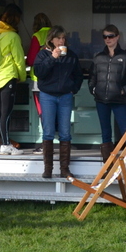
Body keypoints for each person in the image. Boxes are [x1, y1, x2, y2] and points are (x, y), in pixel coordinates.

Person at [88, 24, 126, 182]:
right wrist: (93, 89)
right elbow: (92, 77)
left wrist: (123, 91)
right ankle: (107, 170)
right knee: (106, 134)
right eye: (105, 36)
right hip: (101, 101)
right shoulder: (98, 57)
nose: (108, 39)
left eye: (111, 36)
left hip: (119, 101)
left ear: (117, 37)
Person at [33, 26, 83, 178]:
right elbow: (39, 72)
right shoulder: (43, 54)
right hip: (47, 95)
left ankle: (64, 169)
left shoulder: (71, 55)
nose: (61, 41)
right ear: (51, 39)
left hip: (65, 96)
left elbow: (78, 75)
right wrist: (52, 58)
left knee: (65, 132)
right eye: (58, 38)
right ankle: (48, 169)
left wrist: (73, 89)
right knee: (48, 131)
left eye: (63, 38)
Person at [0, 4, 27, 156]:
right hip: (8, 77)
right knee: (6, 112)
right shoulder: (13, 36)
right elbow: (19, 60)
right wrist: (22, 76)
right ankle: (5, 144)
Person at [27, 13, 52, 154]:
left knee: (43, 113)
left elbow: (31, 60)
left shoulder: (37, 36)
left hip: (39, 81)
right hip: (54, 80)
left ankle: (45, 144)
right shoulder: (55, 35)